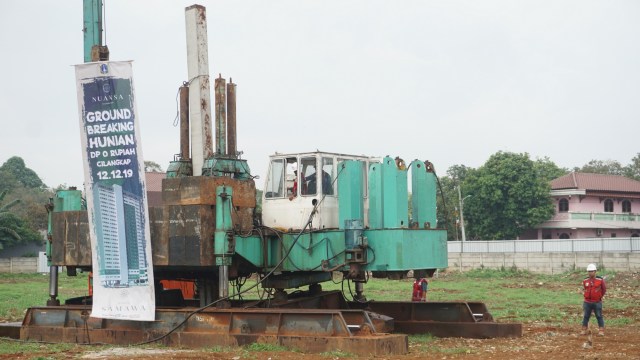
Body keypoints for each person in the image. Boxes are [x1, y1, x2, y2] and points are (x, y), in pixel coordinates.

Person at [581, 263, 606, 336]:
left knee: (599, 316)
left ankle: (601, 331)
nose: (590, 273)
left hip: (597, 302)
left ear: (595, 271)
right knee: (586, 316)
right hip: (587, 302)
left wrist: (599, 296)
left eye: (592, 271)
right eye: (589, 271)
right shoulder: (585, 280)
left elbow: (604, 289)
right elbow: (585, 289)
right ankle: (583, 330)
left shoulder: (600, 280)